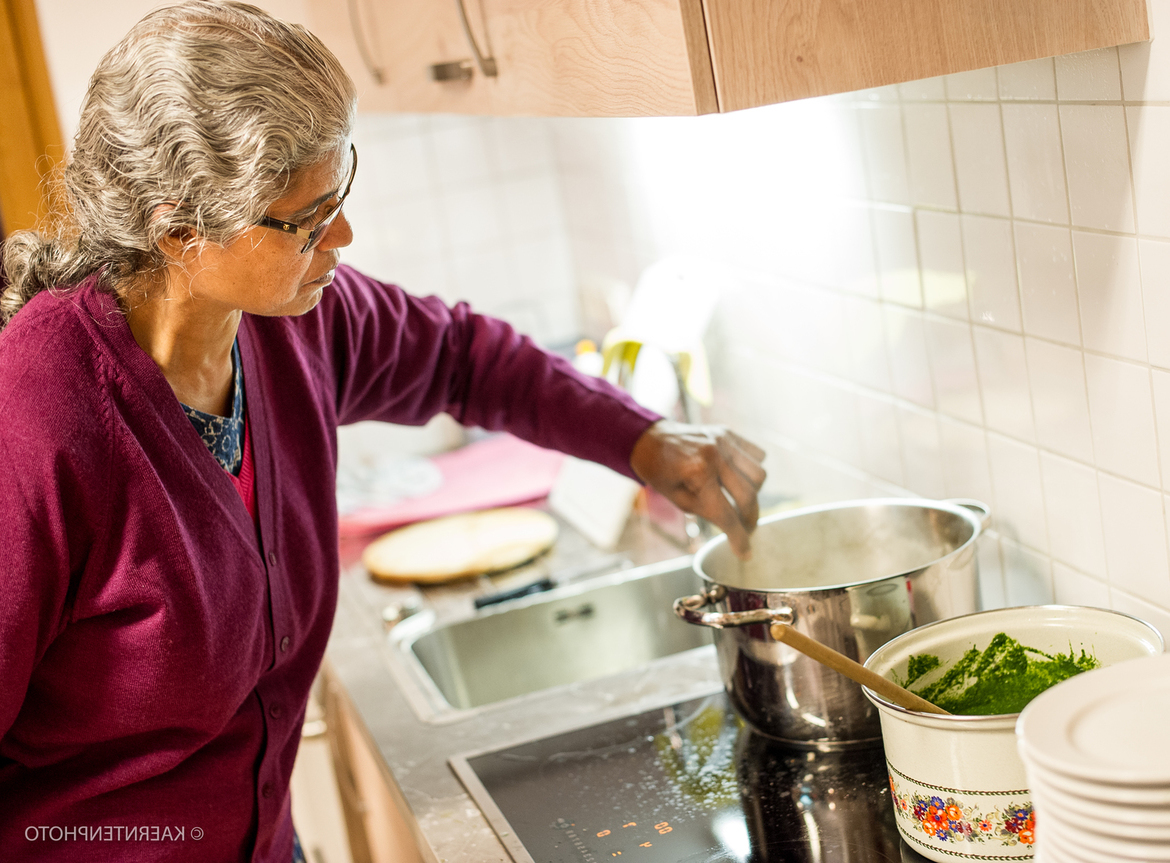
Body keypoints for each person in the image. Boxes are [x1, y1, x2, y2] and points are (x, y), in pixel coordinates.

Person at [0, 3, 766, 861]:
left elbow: (464, 358)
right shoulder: (37, 414)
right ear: (180, 229)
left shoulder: (290, 324)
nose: (343, 236)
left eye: (340, 192)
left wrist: (644, 441)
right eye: (307, 218)